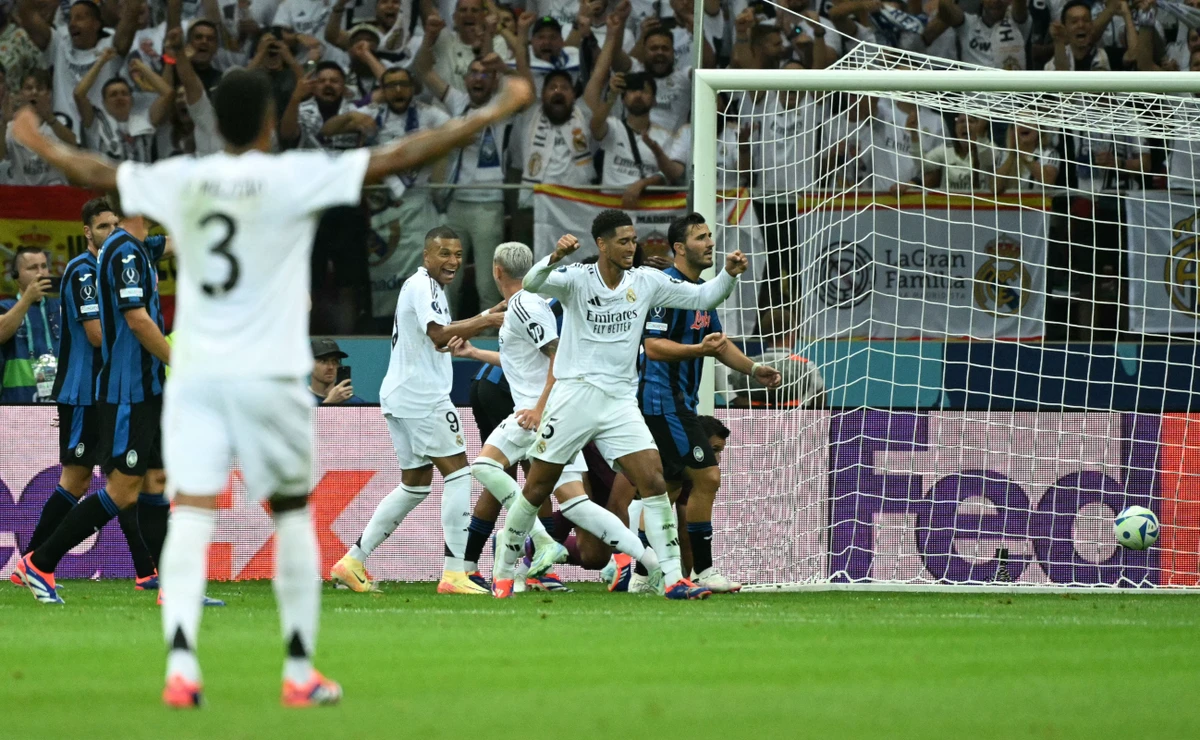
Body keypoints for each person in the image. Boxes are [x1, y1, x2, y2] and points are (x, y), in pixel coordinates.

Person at [9, 64, 532, 705]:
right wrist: (485, 115)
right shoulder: (292, 175)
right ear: (267, 121)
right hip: (269, 375)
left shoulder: (187, 177)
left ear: (214, 123)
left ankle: (180, 667)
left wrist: (38, 140)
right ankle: (297, 670)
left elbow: (94, 172)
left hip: (198, 375)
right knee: (289, 517)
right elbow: (398, 153)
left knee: (192, 512)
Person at [491, 208, 747, 600]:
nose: (632, 248)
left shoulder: (646, 282)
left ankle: (674, 577)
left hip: (619, 402)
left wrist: (728, 273)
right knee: (538, 485)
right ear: (602, 244)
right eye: (624, 241)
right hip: (574, 396)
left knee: (655, 481)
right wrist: (555, 257)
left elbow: (703, 295)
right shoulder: (576, 279)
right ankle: (504, 570)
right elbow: (530, 282)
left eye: (634, 241)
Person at [451, 242, 663, 593]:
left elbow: (555, 356)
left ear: (496, 270)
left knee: (485, 468)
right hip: (558, 411)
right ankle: (645, 560)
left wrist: (538, 409)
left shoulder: (523, 304)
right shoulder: (530, 303)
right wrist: (473, 352)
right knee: (577, 504)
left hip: (539, 413)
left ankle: (538, 543)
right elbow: (523, 363)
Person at [329, 226, 507, 596]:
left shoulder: (430, 289)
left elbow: (438, 335)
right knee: (459, 474)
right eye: (444, 253)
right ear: (426, 256)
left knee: (415, 485)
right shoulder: (422, 285)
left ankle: (352, 561)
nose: (453, 261)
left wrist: (486, 312)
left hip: (403, 394)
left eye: (458, 254)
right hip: (422, 396)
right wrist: (487, 321)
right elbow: (439, 334)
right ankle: (455, 572)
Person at [15, 207, 177, 609]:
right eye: (100, 226)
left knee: (153, 479)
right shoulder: (109, 259)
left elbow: (182, 243)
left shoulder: (139, 249)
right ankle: (40, 560)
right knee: (108, 485)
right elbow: (116, 327)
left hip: (143, 385)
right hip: (115, 390)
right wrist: (177, 359)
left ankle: (163, 581)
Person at [632, 213, 781, 593]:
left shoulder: (701, 292)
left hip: (678, 400)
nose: (710, 242)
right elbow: (653, 347)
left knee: (665, 486)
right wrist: (697, 349)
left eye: (710, 235)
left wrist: (753, 369)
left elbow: (717, 341)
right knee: (707, 477)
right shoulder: (665, 289)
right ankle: (703, 570)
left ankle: (640, 575)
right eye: (700, 237)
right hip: (662, 400)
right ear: (679, 248)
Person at [0, 247, 60, 402]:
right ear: (16, 276)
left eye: (44, 266)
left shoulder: (61, 307)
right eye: (33, 268)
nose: (40, 273)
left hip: (57, 399)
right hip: (17, 402)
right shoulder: (5, 307)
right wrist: (27, 299)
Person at [309, 337, 364, 404]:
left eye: (334, 361)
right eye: (323, 361)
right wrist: (329, 403)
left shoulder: (355, 403)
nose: (331, 367)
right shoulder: (300, 400)